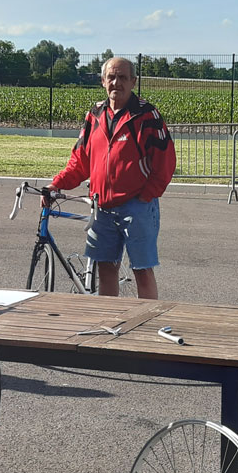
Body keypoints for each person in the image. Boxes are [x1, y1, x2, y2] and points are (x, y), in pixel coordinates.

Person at [47, 56, 175, 299]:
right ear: (103, 81)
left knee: (142, 271)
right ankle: (111, 324)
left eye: (123, 77)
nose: (117, 82)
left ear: (134, 81)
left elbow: (165, 163)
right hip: (102, 207)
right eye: (112, 77)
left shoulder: (147, 115)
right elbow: (80, 162)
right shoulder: (94, 114)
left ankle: (146, 324)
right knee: (105, 269)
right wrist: (57, 184)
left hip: (137, 206)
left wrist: (146, 196)